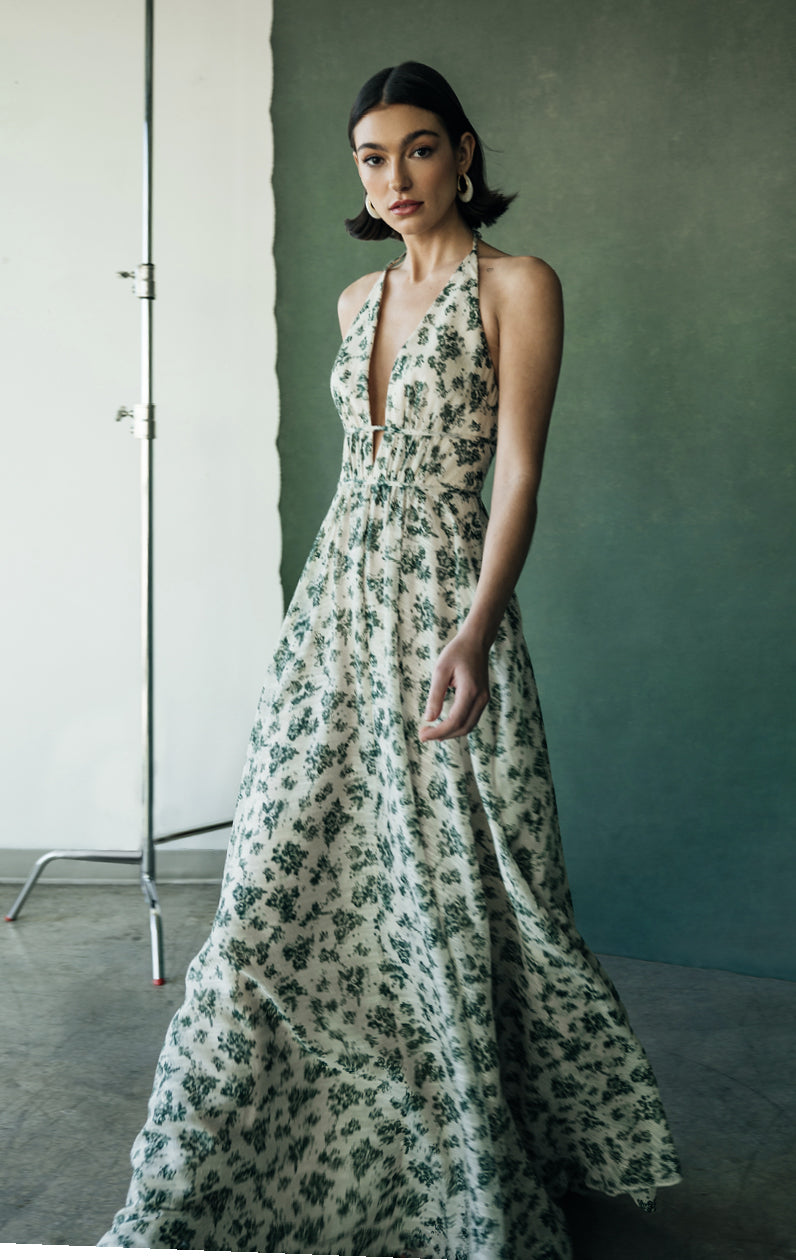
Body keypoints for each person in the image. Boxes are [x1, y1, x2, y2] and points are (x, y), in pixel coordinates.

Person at [99, 61, 680, 1259]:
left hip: (442, 609)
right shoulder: (354, 301)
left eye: (418, 149)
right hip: (331, 615)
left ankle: (471, 1155)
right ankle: (247, 1159)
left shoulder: (517, 287)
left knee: (464, 894)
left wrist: (474, 626)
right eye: (372, 157)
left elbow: (516, 470)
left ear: (464, 152)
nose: (395, 177)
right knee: (276, 882)